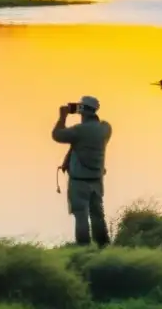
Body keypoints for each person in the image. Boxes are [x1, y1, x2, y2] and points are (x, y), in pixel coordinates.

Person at [52, 95, 112, 247]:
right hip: (97, 179)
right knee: (98, 215)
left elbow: (57, 135)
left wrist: (62, 116)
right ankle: (103, 246)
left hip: (79, 180)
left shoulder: (79, 131)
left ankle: (84, 248)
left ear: (83, 110)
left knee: (81, 216)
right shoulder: (105, 128)